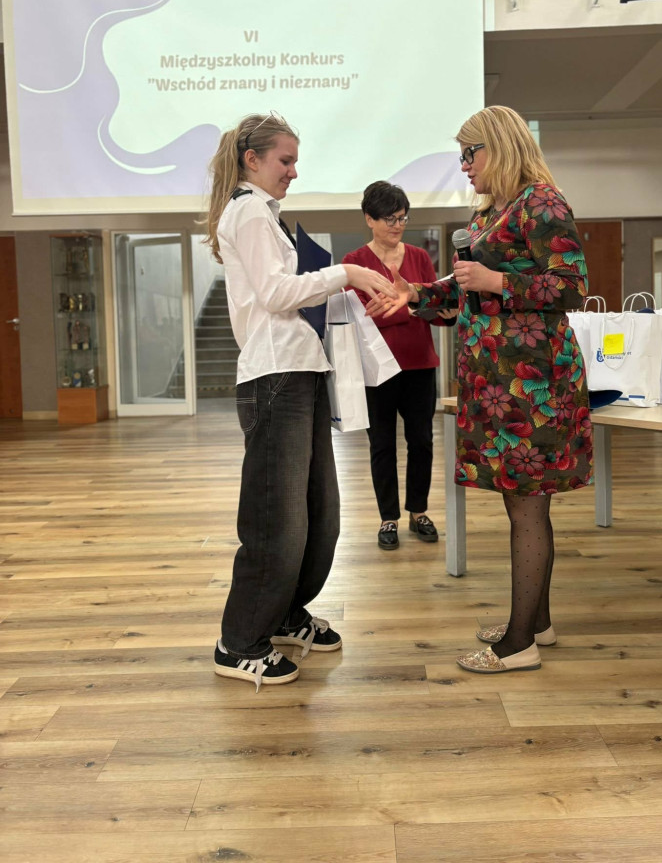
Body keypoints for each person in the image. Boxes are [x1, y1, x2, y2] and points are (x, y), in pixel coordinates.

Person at [369, 106, 592, 674]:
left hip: (533, 385)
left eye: (471, 153)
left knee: (527, 506)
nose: (464, 165)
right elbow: (465, 288)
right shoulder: (497, 210)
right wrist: (417, 295)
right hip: (502, 382)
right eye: (461, 155)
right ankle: (537, 622)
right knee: (527, 504)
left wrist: (498, 280)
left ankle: (518, 644)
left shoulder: (542, 201)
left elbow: (572, 286)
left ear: (500, 145)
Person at [203, 112, 395, 690]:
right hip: (274, 378)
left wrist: (341, 287)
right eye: (284, 160)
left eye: (294, 161)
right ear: (252, 160)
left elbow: (286, 295)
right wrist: (347, 273)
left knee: (320, 515)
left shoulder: (267, 216)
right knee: (276, 521)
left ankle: (286, 614)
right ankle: (239, 642)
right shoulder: (247, 211)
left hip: (300, 372)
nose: (293, 171)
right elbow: (276, 293)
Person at [342, 181, 457, 551]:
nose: (397, 225)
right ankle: (388, 517)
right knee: (381, 444)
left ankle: (418, 511)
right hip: (376, 369)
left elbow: (434, 306)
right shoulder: (354, 262)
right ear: (369, 219)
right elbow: (361, 318)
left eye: (403, 218)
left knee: (421, 441)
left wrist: (421, 308)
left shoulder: (420, 257)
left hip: (420, 364)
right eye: (390, 219)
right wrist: (411, 307)